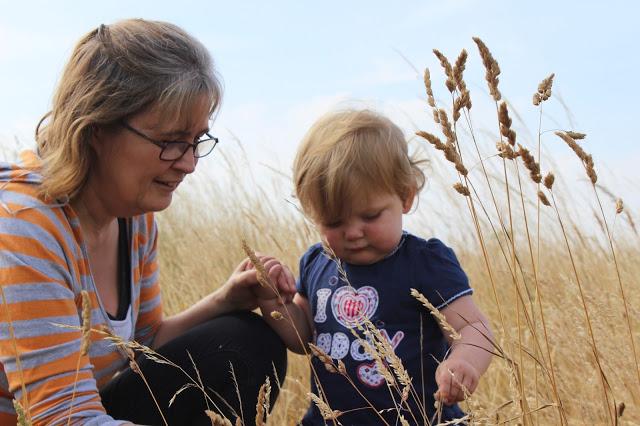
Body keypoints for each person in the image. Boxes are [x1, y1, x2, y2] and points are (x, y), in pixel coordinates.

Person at [0, 19, 295, 426]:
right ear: (97, 127)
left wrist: (225, 301)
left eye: (196, 141)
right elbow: (60, 418)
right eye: (171, 141)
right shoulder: (23, 226)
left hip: (90, 411)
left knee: (245, 341)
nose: (189, 163)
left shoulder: (133, 216)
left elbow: (142, 345)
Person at [257, 109, 494, 425]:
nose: (353, 232)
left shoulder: (424, 262)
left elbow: (472, 327)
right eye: (334, 221)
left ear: (405, 197)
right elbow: (304, 337)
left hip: (416, 418)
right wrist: (275, 302)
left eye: (370, 216)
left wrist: (465, 362)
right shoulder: (317, 262)